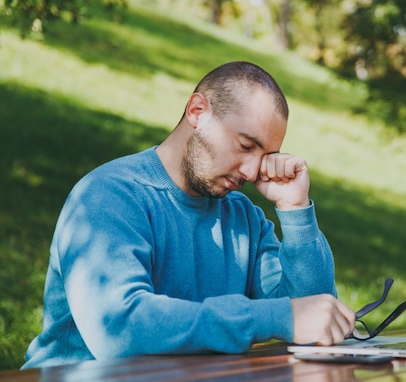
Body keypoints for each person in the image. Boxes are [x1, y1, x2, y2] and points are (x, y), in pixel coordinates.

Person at [22, 61, 355, 369]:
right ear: (197, 111)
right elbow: (120, 329)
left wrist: (296, 211)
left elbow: (313, 319)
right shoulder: (109, 196)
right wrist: (276, 317)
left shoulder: (245, 220)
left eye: (267, 155)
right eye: (245, 145)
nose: (253, 170)